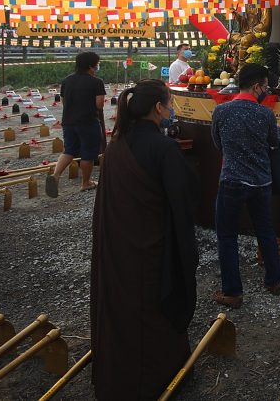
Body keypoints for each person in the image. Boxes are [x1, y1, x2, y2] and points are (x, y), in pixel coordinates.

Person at [90, 79, 199, 400]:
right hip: (153, 250)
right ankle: (154, 378)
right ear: (158, 108)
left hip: (119, 249)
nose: (173, 109)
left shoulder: (116, 146)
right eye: (170, 103)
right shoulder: (164, 148)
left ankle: (117, 374)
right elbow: (183, 201)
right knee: (154, 310)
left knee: (123, 311)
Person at [211, 64, 280, 308]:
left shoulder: (221, 111)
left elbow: (218, 143)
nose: (266, 90)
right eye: (265, 86)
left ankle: (232, 292)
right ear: (256, 87)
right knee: (265, 231)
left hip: (231, 180)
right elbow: (274, 143)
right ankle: (273, 281)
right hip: (261, 181)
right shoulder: (266, 114)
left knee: (227, 235)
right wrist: (279, 133)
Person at [48, 51, 106, 196]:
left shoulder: (67, 80)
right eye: (97, 64)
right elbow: (99, 105)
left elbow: (64, 101)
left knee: (69, 150)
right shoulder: (96, 82)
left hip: (68, 121)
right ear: (91, 66)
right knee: (88, 153)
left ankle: (55, 176)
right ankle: (86, 183)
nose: (97, 67)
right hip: (88, 122)